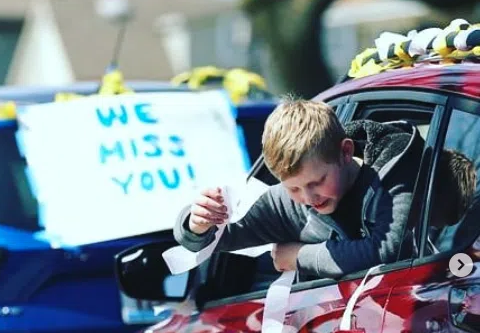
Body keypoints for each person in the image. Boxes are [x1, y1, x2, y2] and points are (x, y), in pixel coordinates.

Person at [174, 99, 425, 279]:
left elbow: (388, 252)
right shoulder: (286, 204)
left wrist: (298, 256)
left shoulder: (393, 170)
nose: (307, 198)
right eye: (293, 188)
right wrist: (197, 223)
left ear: (346, 152)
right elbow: (220, 238)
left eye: (317, 182)